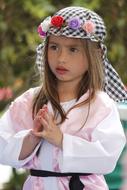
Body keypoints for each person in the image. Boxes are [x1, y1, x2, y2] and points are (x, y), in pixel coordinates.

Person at [0, 6, 126, 190]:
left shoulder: (100, 105)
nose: (61, 58)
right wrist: (31, 139)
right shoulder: (29, 101)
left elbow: (107, 157)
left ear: (96, 55)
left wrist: (61, 140)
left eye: (73, 49)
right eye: (54, 47)